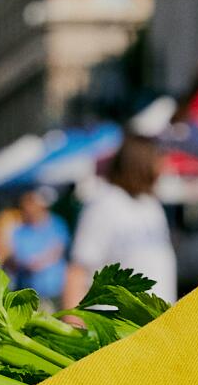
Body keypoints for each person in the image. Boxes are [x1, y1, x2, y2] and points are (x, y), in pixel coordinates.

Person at [65, 133, 177, 310]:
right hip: (117, 325)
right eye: (159, 159)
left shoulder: (152, 205)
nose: (164, 167)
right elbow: (79, 270)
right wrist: (73, 323)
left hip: (156, 323)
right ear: (141, 162)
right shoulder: (104, 205)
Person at [0, 185, 70, 303]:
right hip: (30, 293)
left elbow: (58, 249)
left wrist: (38, 262)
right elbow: (13, 256)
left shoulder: (56, 224)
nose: (28, 212)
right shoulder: (19, 231)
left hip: (55, 291)